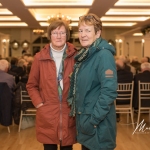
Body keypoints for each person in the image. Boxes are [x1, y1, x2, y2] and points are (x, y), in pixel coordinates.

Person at [67, 13, 118, 150]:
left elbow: (109, 92)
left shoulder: (104, 55)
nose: (83, 34)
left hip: (98, 126)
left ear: (98, 33)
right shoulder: (87, 55)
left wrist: (93, 121)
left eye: (88, 30)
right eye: (81, 30)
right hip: (87, 124)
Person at [26, 20, 77, 150]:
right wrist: (39, 104)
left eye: (62, 32)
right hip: (47, 113)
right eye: (55, 33)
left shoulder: (75, 56)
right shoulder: (39, 57)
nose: (58, 36)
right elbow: (31, 85)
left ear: (67, 35)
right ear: (49, 35)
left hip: (69, 113)